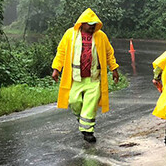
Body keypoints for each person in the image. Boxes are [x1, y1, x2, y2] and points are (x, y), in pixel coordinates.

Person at [51, 8, 119, 143]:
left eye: (94, 25)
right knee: (74, 102)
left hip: (94, 79)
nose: (92, 27)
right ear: (82, 23)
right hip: (76, 78)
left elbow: (108, 54)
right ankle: (82, 119)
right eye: (89, 24)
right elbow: (61, 52)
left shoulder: (101, 36)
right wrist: (56, 69)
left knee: (90, 104)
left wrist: (114, 69)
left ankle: (88, 132)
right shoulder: (70, 35)